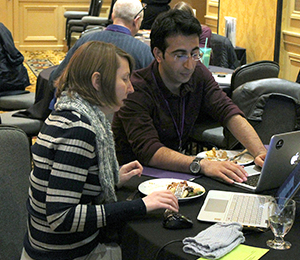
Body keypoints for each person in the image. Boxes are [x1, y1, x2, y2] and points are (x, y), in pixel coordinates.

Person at [19, 41, 179, 260]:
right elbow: (61, 217)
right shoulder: (79, 130)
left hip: (52, 251)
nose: (130, 88)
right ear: (97, 81)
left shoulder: (70, 112)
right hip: (64, 258)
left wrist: (109, 178)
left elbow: (68, 185)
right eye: (124, 79)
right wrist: (140, 206)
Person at [112, 9, 267, 184]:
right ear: (158, 54)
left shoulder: (198, 72)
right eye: (180, 55)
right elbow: (149, 151)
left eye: (194, 54)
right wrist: (201, 164)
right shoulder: (136, 89)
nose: (189, 64)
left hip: (173, 174)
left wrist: (260, 152)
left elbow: (228, 111)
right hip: (134, 179)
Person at [47, 0, 154, 111]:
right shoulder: (144, 52)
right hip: (127, 119)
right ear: (136, 21)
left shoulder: (85, 41)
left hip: (75, 111)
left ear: (113, 16)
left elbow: (56, 78)